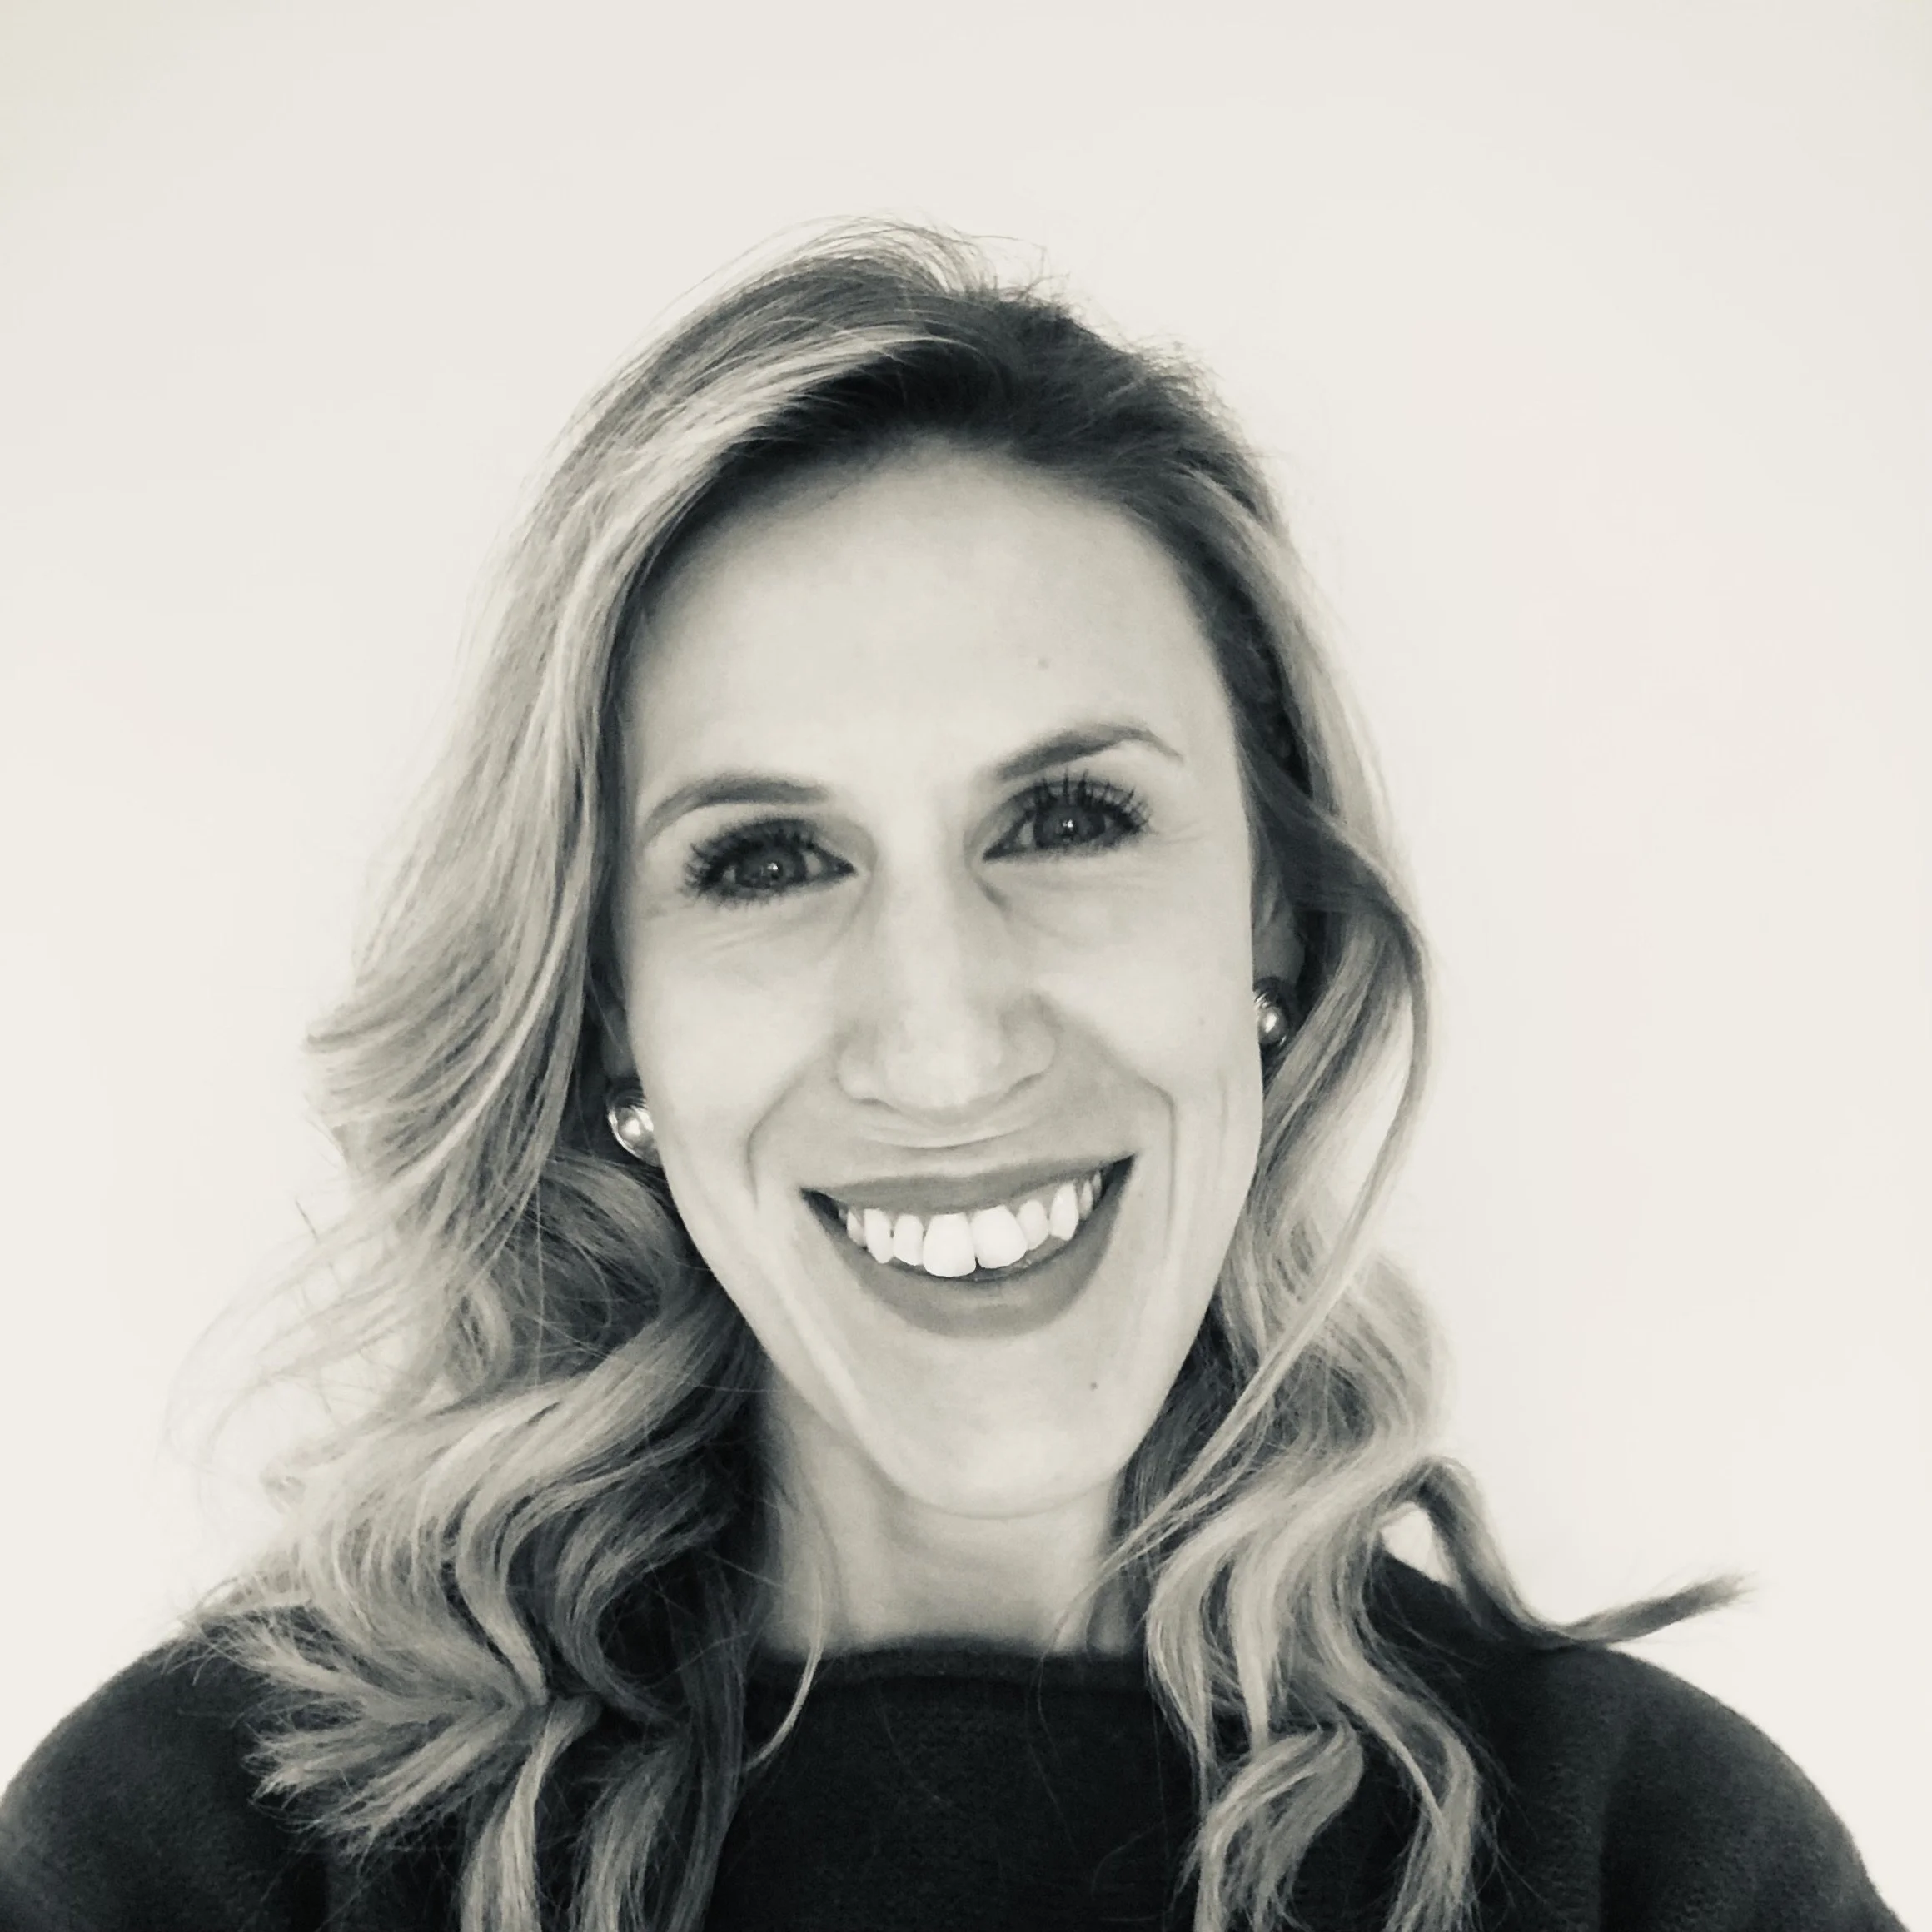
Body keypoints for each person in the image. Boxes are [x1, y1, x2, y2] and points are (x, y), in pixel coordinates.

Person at [0, 224, 1904, 1932]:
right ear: (607, 1018)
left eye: (1068, 817)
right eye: (762, 858)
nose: (942, 1034)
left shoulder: (1647, 1860)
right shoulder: (204, 1852)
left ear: (1274, 928)